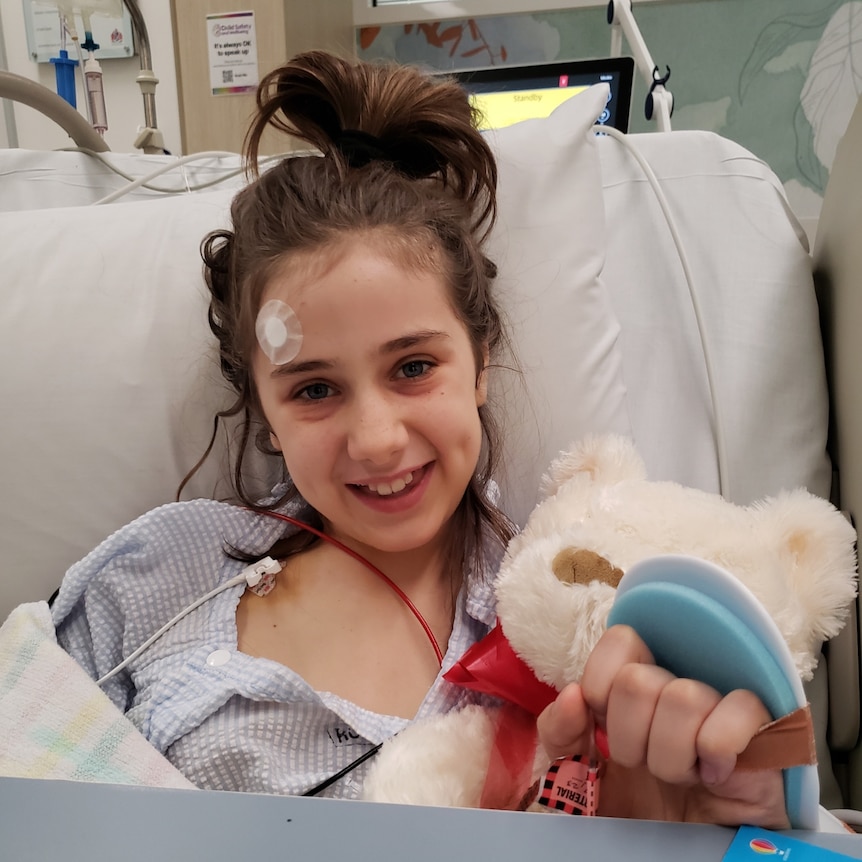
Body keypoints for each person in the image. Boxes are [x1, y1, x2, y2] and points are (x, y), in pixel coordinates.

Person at [51, 50, 787, 826]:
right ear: (264, 409)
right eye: (314, 389)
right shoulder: (152, 581)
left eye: (412, 367)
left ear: (480, 363)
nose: (374, 439)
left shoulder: (572, 612)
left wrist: (700, 815)